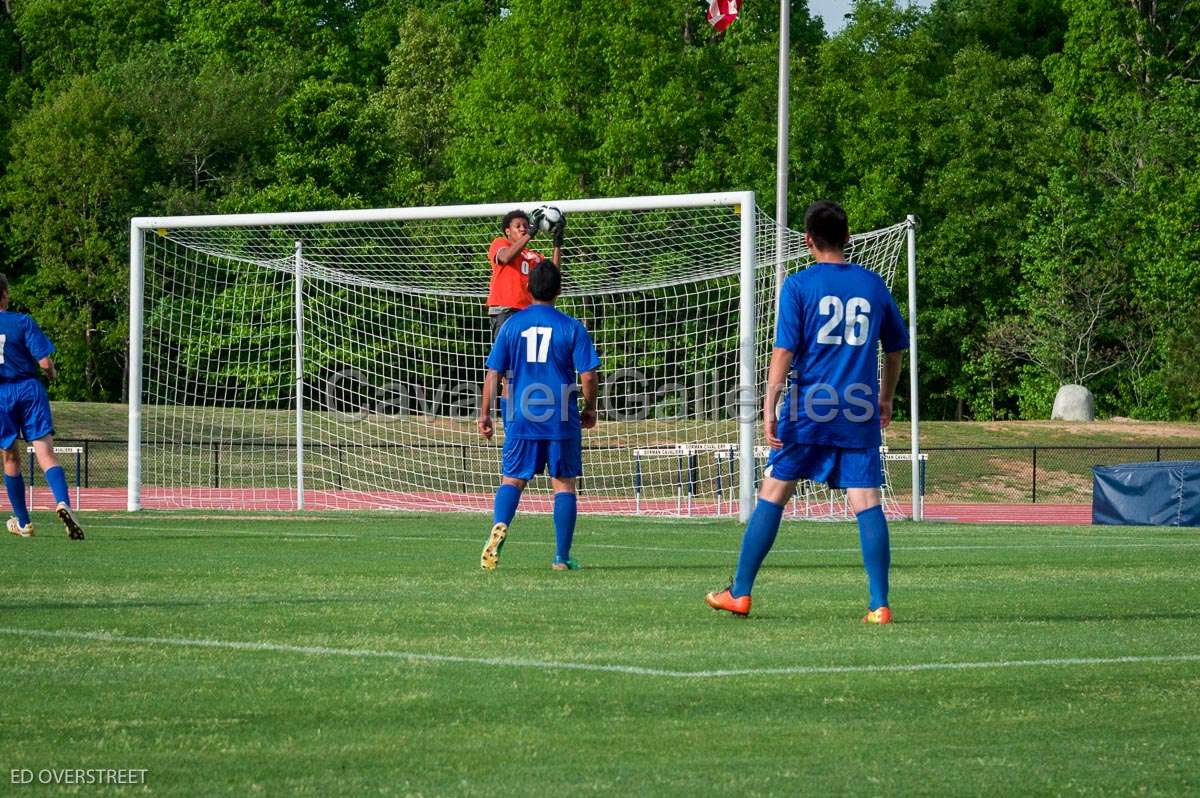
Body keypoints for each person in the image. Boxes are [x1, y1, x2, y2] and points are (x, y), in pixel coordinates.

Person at [705, 201, 907, 623]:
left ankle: (739, 592)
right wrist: (885, 397)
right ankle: (879, 602)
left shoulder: (798, 285)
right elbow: (895, 349)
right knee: (868, 501)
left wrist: (768, 405)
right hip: (857, 409)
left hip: (809, 408)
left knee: (774, 491)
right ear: (848, 238)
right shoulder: (874, 285)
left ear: (807, 241)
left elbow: (784, 350)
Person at [477, 262, 599, 571]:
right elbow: (588, 375)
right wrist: (590, 407)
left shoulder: (512, 326)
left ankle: (499, 527)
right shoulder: (571, 326)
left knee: (513, 480)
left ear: (528, 289)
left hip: (521, 413)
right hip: (560, 412)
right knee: (564, 484)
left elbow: (494, 372)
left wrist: (485, 413)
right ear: (559, 290)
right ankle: (561, 557)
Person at [0, 274, 85, 540]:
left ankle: (24, 523)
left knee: (10, 457)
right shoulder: (22, 321)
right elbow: (45, 363)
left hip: (1, 394)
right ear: (5, 293)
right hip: (29, 389)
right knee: (45, 452)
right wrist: (53, 374)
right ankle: (62, 502)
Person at [486, 208, 565, 340]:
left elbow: (553, 278)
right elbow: (505, 257)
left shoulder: (534, 255)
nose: (523, 229)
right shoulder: (500, 243)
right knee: (506, 358)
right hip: (506, 311)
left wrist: (557, 243)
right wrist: (529, 234)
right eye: (518, 226)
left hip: (530, 313)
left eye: (526, 226)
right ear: (507, 231)